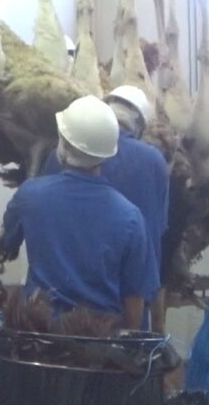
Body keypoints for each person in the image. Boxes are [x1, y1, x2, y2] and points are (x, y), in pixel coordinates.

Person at [3, 94, 156, 329]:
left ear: (62, 145)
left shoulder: (30, 196)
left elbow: (6, 244)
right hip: (99, 350)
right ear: (106, 154)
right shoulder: (131, 218)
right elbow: (134, 302)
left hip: (37, 341)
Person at [42, 85, 168, 330]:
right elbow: (158, 230)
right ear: (140, 124)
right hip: (125, 307)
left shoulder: (53, 164)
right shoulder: (154, 162)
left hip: (57, 311)